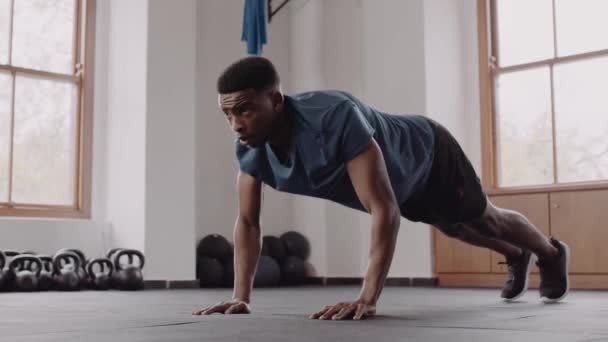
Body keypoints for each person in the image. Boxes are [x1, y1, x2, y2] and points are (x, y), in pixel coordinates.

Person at [192, 56, 570, 320]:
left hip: (428, 153)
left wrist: (367, 298)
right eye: (227, 113)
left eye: (244, 109)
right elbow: (247, 222)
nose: (236, 124)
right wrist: (240, 297)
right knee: (455, 227)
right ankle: (517, 255)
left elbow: (384, 209)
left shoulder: (333, 117)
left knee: (484, 217)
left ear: (275, 100)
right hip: (404, 184)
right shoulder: (251, 149)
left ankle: (550, 253)